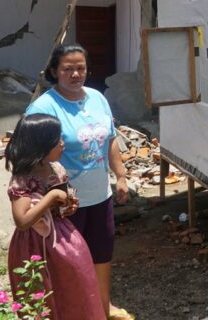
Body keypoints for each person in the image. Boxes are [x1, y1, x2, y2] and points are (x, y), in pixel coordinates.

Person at [26, 44, 131, 320]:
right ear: (54, 71)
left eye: (81, 68)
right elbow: (31, 156)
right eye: (67, 69)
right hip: (65, 204)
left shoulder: (97, 98)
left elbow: (110, 140)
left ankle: (102, 308)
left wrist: (120, 176)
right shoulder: (43, 107)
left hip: (100, 197)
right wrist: (48, 195)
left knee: (101, 255)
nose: (75, 74)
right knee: (69, 262)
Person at [6, 113, 106, 319]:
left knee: (75, 284)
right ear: (41, 145)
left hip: (64, 237)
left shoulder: (56, 168)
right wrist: (51, 197)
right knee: (41, 291)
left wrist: (69, 205)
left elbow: (63, 197)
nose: (62, 143)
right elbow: (22, 221)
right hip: (34, 245)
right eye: (56, 139)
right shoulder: (22, 179)